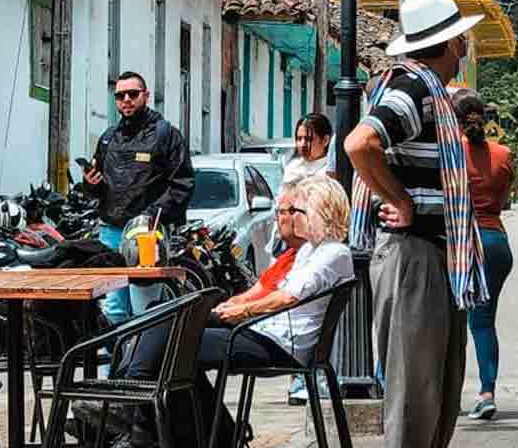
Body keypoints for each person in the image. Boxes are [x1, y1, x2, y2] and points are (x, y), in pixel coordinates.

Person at [72, 176, 354, 448]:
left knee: (174, 342)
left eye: (297, 210)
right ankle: (174, 428)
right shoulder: (309, 251)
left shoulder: (332, 253)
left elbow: (286, 298)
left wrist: (242, 311)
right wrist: (239, 309)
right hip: (264, 331)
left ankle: (133, 411)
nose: (290, 216)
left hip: (278, 345)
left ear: (317, 213)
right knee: (170, 321)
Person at [345, 0, 489, 448]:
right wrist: (400, 200)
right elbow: (359, 144)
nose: (465, 47)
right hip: (414, 256)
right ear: (451, 44)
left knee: (439, 387)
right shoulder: (413, 88)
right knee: (415, 393)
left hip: (432, 254)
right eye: (461, 39)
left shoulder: (429, 91)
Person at [82, 71, 195, 326]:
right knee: (113, 310)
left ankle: (143, 365)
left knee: (145, 311)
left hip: (146, 234)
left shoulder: (167, 134)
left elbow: (183, 183)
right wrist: (90, 185)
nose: (126, 100)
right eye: (120, 95)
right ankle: (116, 366)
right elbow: (96, 187)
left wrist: (151, 216)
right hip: (110, 231)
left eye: (133, 94)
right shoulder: (108, 138)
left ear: (146, 96)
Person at [455, 90, 516, 420]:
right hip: (496, 241)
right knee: (483, 321)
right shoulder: (504, 154)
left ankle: (448, 390)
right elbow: (504, 201)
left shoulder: (451, 154)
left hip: (465, 242)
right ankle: (487, 391)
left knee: (452, 322)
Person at [284, 113, 333, 184]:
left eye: (308, 139)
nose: (303, 144)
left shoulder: (331, 172)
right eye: (299, 139)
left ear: (325, 140)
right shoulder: (292, 168)